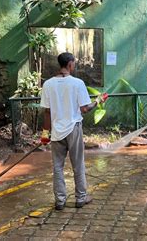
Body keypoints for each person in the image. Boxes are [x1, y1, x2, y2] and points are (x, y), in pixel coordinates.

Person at [40, 52, 108, 210]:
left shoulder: (48, 84)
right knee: (78, 164)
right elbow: (85, 109)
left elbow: (47, 112)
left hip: (56, 131)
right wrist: (98, 100)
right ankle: (80, 198)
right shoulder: (77, 83)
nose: (74, 65)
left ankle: (60, 201)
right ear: (70, 64)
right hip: (73, 128)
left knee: (57, 166)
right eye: (74, 63)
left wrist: (45, 133)